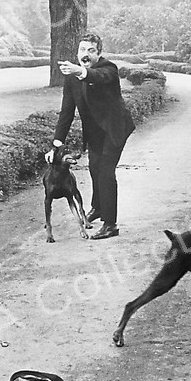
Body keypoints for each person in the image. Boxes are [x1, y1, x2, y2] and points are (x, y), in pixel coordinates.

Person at [45, 32, 135, 240]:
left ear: (99, 53)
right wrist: (56, 144)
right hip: (94, 131)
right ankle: (98, 207)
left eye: (91, 51)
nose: (85, 55)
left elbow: (99, 77)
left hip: (115, 128)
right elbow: (66, 112)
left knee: (105, 171)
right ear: (77, 52)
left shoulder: (108, 69)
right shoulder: (72, 78)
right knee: (94, 167)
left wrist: (82, 72)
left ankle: (110, 224)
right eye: (82, 50)